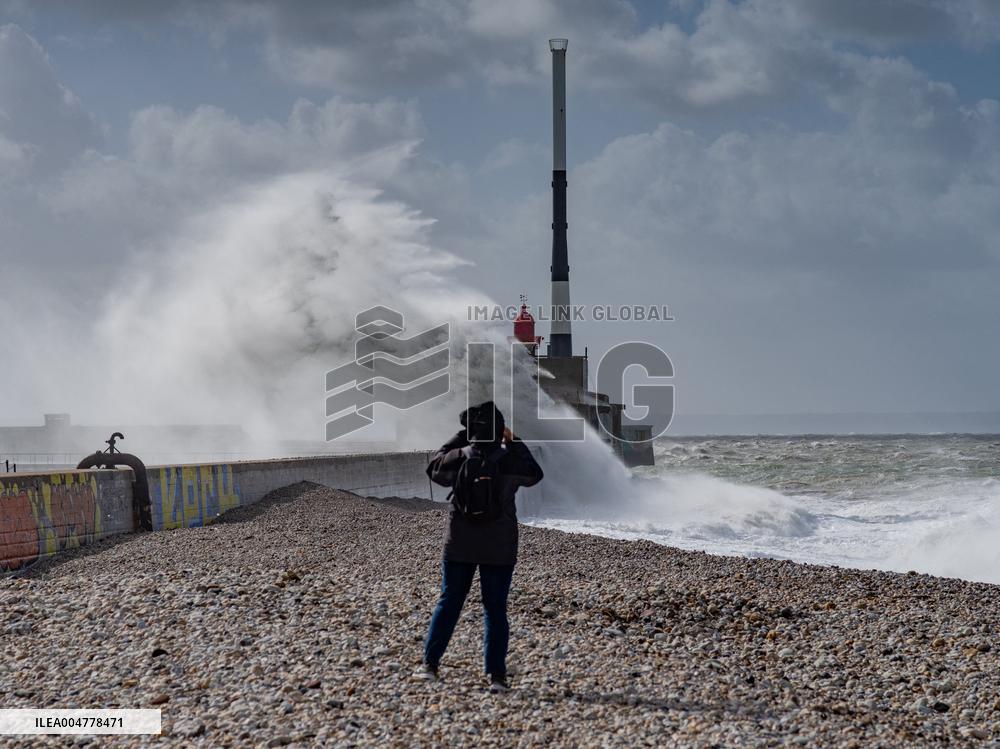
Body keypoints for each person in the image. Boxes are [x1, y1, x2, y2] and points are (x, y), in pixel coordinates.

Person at [417, 401, 544, 692]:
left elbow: (433, 467)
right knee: (495, 609)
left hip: (460, 543)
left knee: (449, 602)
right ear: (500, 430)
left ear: (471, 431)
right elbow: (535, 475)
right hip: (499, 546)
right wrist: (514, 441)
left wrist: (463, 437)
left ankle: (430, 666)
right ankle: (496, 676)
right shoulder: (509, 460)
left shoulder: (458, 457)